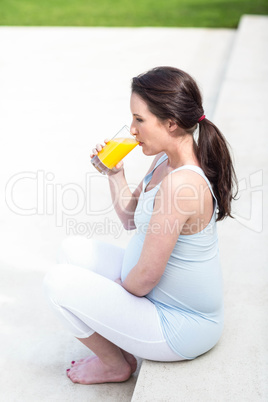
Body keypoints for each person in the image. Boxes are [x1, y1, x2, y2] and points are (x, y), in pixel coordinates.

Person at [43, 66, 237, 385]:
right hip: (159, 298)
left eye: (140, 120)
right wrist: (115, 174)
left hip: (180, 326)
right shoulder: (164, 159)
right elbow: (130, 218)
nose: (132, 129)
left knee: (57, 283)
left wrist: (119, 288)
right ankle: (122, 343)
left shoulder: (182, 186)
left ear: (171, 123)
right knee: (71, 250)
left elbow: (145, 278)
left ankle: (114, 365)